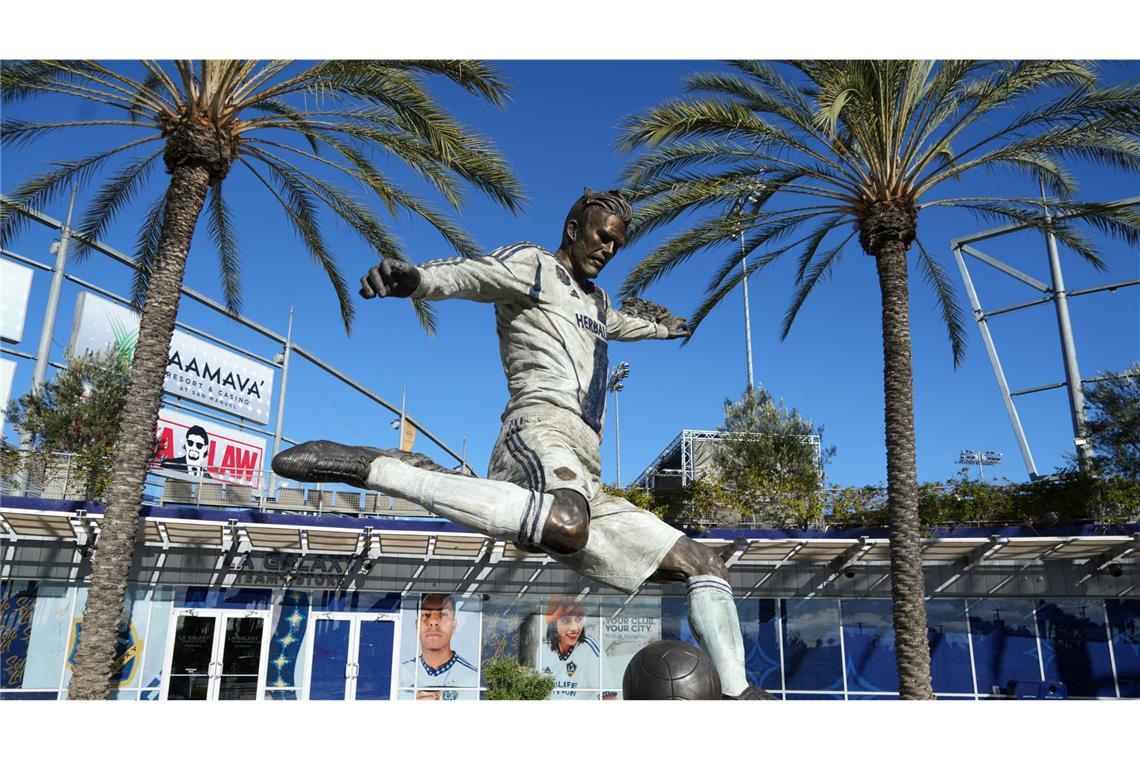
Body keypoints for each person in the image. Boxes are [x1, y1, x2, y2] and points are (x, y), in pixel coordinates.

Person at [275, 188, 771, 699]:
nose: (608, 250)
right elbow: (475, 273)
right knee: (563, 524)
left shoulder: (596, 301)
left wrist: (660, 330)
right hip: (537, 431)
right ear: (574, 229)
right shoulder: (532, 264)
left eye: (617, 244)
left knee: (703, 564)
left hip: (587, 465)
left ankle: (740, 697)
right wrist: (419, 280)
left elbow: (616, 324)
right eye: (602, 237)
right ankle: (385, 467)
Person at [399, 594, 477, 700]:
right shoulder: (401, 673)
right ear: (417, 625)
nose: (433, 622)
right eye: (426, 615)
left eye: (443, 614)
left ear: (454, 625)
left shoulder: (472, 677)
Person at [538, 598, 613, 700]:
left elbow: (609, 697)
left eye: (578, 620)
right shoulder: (543, 650)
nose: (574, 628)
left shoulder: (589, 648)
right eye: (566, 621)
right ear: (553, 624)